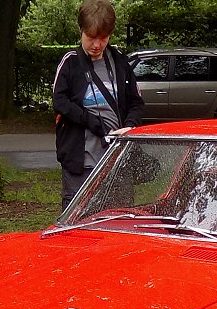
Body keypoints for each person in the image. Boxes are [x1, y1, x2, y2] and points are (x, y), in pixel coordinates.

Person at [52, 0, 144, 211]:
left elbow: (137, 103)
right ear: (81, 30)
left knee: (119, 217)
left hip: (117, 159)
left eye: (103, 38)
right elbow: (60, 102)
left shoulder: (120, 62)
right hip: (80, 162)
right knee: (78, 219)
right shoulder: (70, 62)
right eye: (91, 37)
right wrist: (93, 123)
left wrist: (129, 126)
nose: (96, 45)